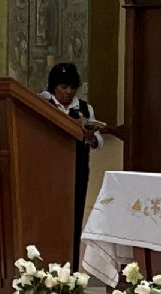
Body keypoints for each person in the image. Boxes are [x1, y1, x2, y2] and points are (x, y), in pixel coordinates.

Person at [40, 63, 103, 271]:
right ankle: (44, 267)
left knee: (74, 219)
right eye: (63, 88)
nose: (68, 92)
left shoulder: (84, 108)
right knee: (47, 219)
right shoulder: (41, 102)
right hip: (47, 170)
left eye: (72, 88)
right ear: (53, 87)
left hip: (77, 169)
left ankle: (71, 269)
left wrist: (90, 136)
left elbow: (98, 143)